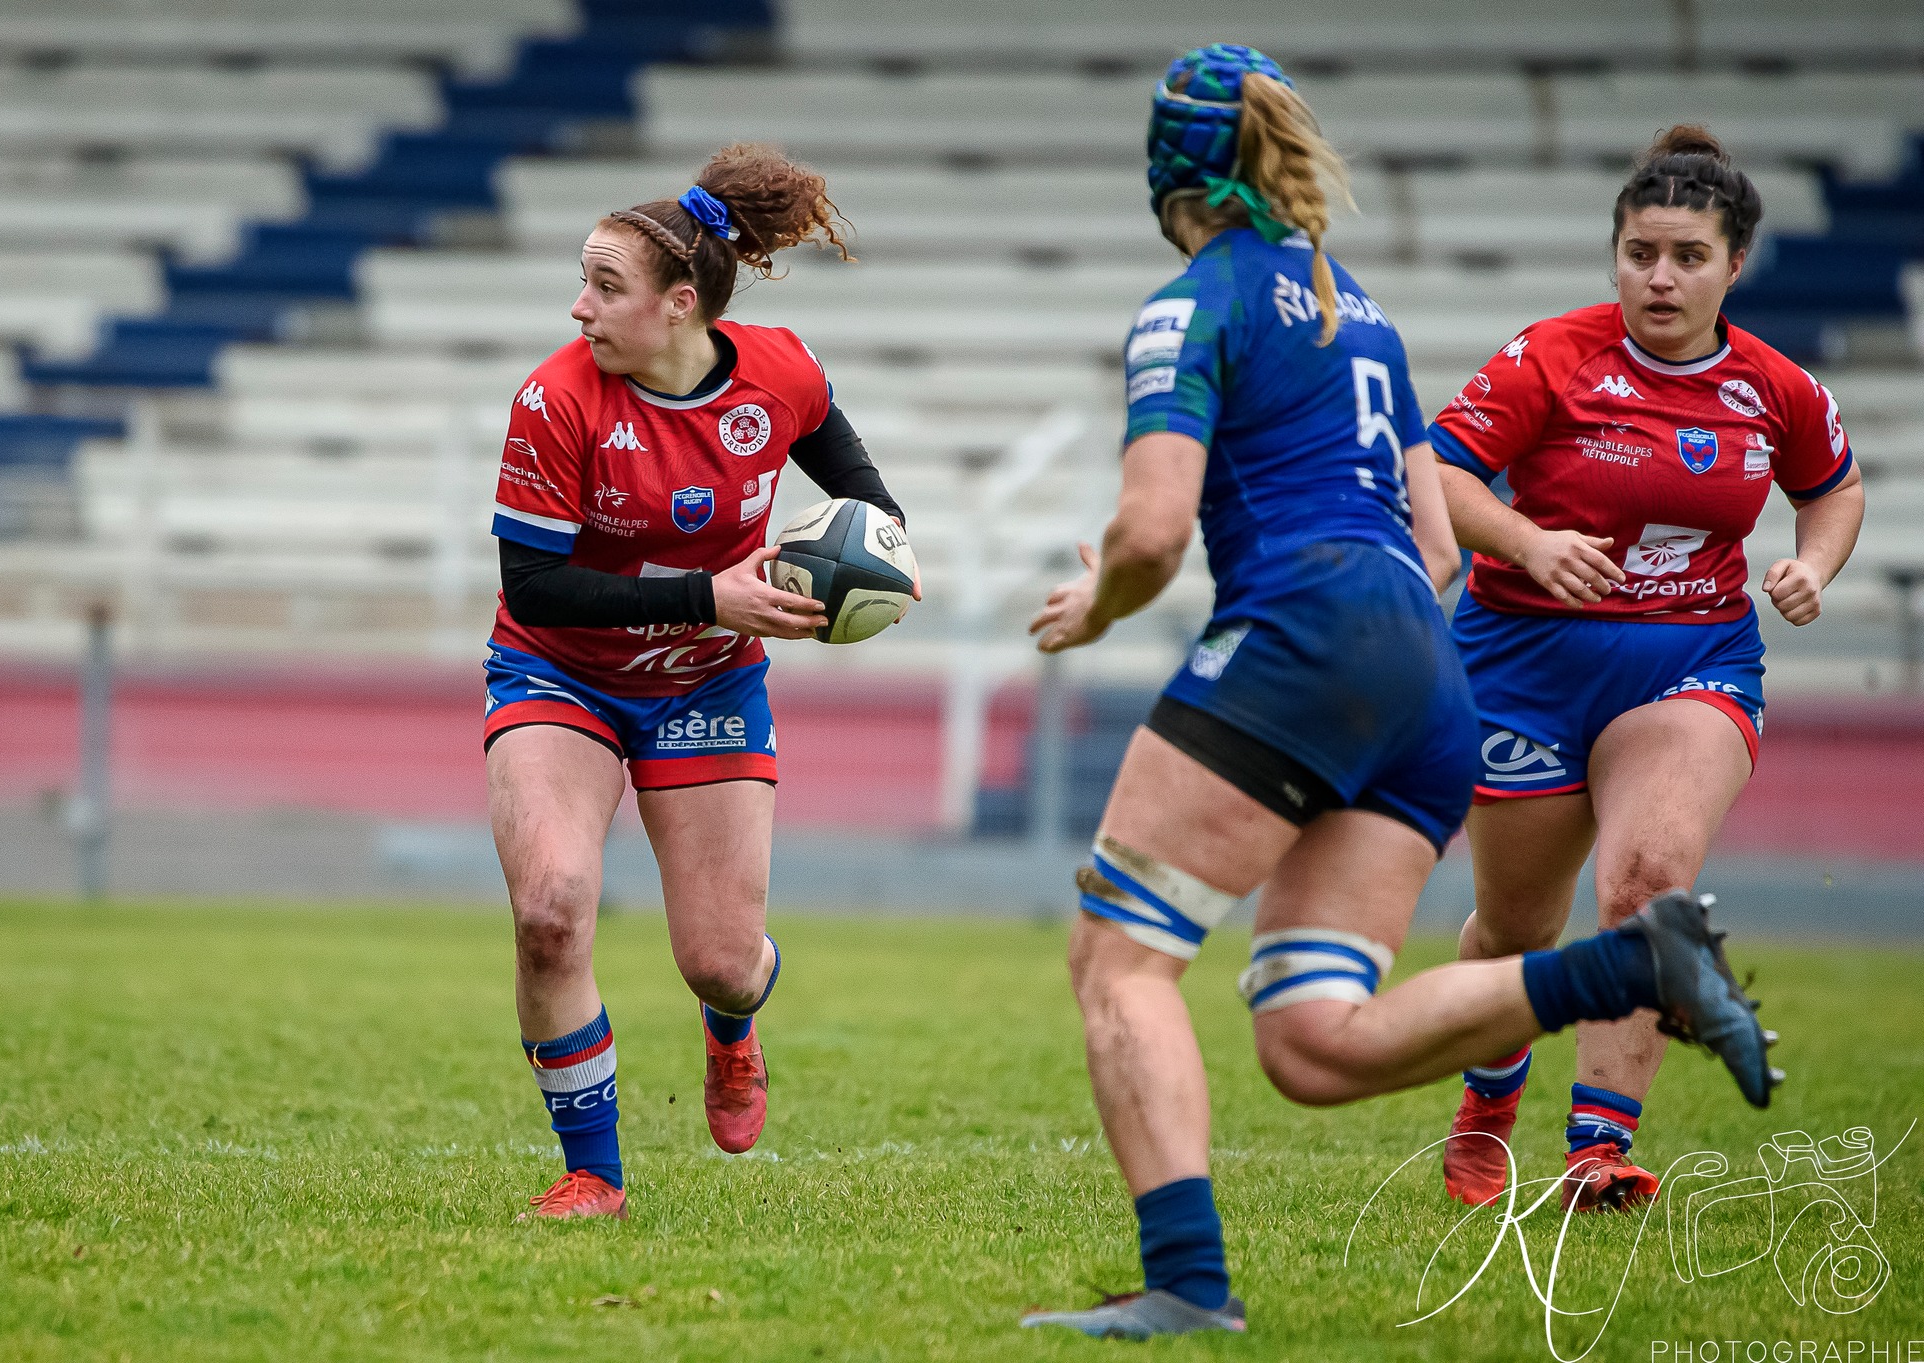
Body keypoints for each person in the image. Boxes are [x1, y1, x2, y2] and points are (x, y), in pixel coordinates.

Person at [1016, 50, 1778, 1341]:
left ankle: (1189, 1285)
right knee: (1316, 1041)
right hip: (1429, 668)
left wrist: (1093, 606)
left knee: (1122, 955)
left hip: (1303, 635)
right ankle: (1629, 960)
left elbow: (1149, 532)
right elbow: (1437, 545)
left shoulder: (1191, 304)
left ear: (1168, 173)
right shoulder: (1353, 303)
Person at [1426, 126, 1863, 1213]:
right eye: (1637, 253)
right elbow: (1438, 474)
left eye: (1683, 256)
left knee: (1645, 885)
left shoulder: (1775, 388)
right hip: (1520, 662)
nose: (1657, 276)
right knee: (1519, 925)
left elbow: (1833, 489)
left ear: (1732, 264)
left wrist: (1811, 563)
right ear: (1614, 253)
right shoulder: (1550, 357)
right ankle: (1486, 1103)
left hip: (1691, 660)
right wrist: (1525, 543)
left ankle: (1595, 1150)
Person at [484, 143, 910, 1222]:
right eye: (581, 280)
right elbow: (533, 587)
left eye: (604, 286)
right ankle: (594, 1174)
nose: (578, 307)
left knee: (720, 962)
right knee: (550, 909)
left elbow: (858, 483)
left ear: (681, 305)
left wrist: (873, 560)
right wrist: (706, 595)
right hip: (559, 674)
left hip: (704, 684)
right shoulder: (553, 400)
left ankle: (732, 1030)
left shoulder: (778, 372)